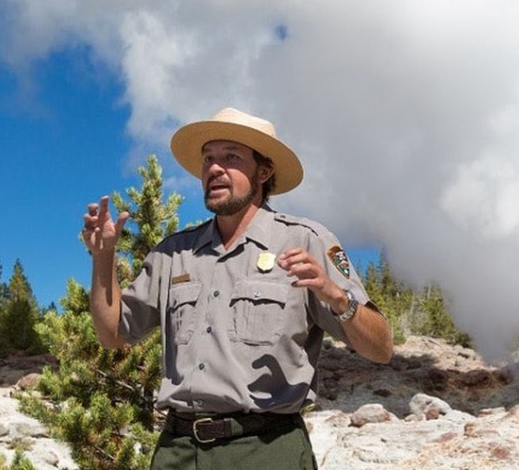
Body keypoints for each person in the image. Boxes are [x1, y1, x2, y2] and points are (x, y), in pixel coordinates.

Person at [82, 107, 393, 469]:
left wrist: (338, 298)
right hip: (178, 452)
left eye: (231, 157)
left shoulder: (305, 241)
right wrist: (103, 258)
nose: (214, 168)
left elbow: (381, 348)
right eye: (208, 159)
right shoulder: (173, 253)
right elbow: (113, 334)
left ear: (264, 171)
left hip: (267, 450)